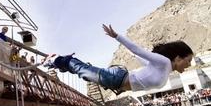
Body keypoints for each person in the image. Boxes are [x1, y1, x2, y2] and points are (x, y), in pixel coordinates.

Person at [43, 24, 193, 93]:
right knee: (84, 71)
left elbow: (144, 62)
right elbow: (139, 51)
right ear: (178, 58)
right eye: (188, 60)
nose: (189, 65)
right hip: (117, 79)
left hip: (118, 83)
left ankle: (59, 64)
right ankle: (57, 60)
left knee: (86, 73)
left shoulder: (164, 69)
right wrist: (117, 36)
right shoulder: (164, 62)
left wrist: (133, 55)